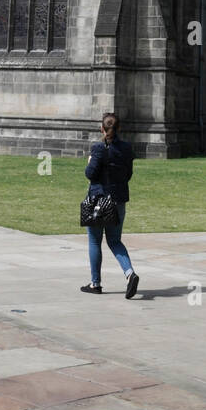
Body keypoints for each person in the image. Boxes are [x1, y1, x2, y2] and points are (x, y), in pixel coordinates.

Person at [81, 112, 139, 298]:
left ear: (102, 128)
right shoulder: (126, 148)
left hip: (98, 200)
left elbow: (90, 174)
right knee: (114, 241)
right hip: (118, 200)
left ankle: (95, 283)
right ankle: (130, 274)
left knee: (94, 241)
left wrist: (89, 162)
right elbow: (128, 175)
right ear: (119, 128)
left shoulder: (98, 148)